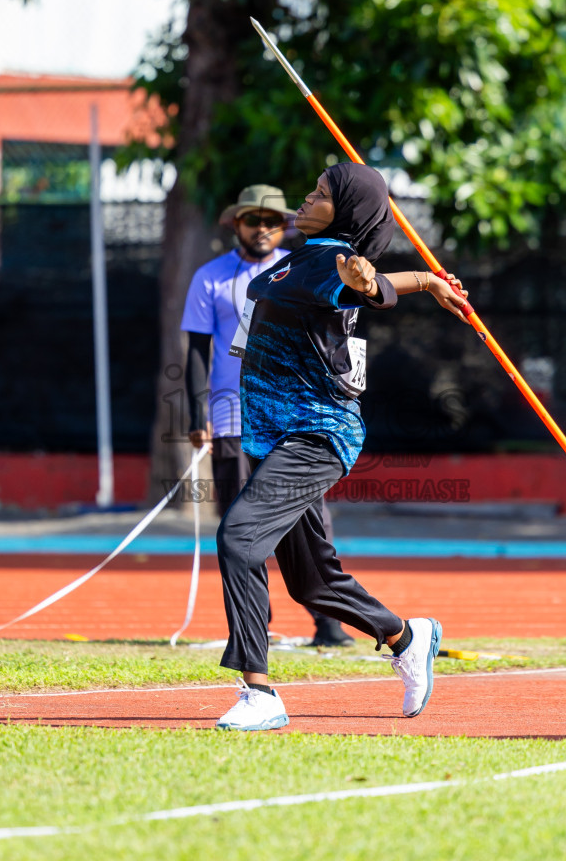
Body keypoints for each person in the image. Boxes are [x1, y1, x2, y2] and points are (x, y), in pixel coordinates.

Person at [215, 161, 469, 731]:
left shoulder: (331, 263)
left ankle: (260, 694)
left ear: (348, 212)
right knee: (312, 580)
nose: (306, 198)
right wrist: (426, 281)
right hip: (273, 435)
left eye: (321, 193)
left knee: (239, 537)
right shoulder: (298, 261)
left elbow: (362, 287)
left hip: (315, 434)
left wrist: (373, 281)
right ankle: (407, 637)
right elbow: (356, 285)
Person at [181, 183, 354, 647]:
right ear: (236, 224)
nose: (263, 229)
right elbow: (197, 350)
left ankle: (329, 624)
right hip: (233, 417)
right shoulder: (210, 278)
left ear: (284, 227)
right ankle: (260, 624)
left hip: (296, 416)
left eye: (272, 220)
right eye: (253, 220)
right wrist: (198, 413)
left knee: (309, 518)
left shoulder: (303, 270)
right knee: (240, 521)